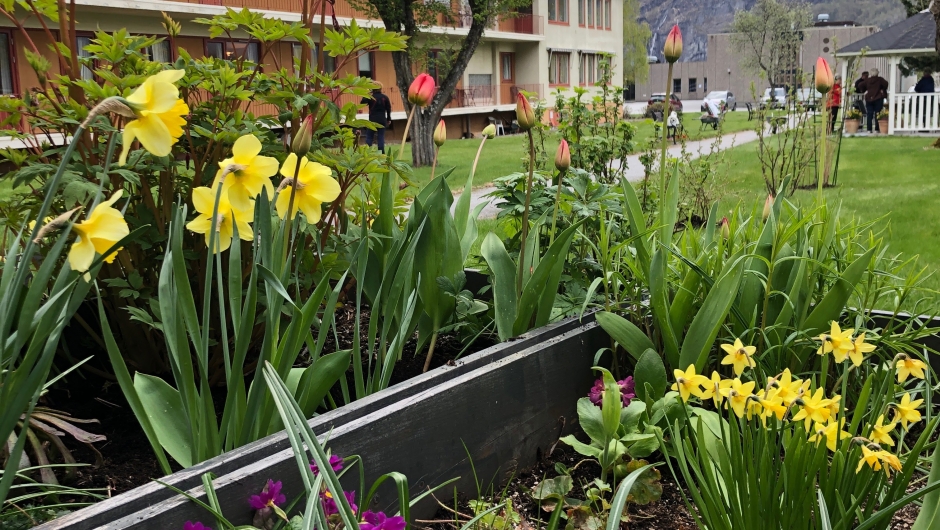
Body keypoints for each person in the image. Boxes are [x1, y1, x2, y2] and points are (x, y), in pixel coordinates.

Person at [361, 82, 392, 153]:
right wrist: (389, 119)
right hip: (382, 120)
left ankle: (367, 153)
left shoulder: (371, 97)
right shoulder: (385, 97)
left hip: (372, 120)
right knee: (380, 137)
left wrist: (367, 93)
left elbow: (362, 103)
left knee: (369, 137)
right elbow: (388, 109)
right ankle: (381, 154)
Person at [863, 68, 888, 133]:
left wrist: (865, 89)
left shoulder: (867, 80)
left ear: (871, 73)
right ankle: (877, 129)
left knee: (869, 114)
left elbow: (860, 85)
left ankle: (869, 129)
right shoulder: (880, 79)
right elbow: (886, 84)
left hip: (868, 99)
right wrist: (882, 89)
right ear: (877, 73)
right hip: (878, 98)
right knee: (878, 113)